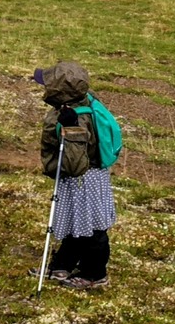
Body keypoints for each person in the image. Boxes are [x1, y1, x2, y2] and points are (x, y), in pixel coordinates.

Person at [34, 61, 116, 290]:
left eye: (48, 84)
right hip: (87, 177)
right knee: (76, 223)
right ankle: (62, 265)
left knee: (93, 229)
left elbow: (75, 164)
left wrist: (70, 131)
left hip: (85, 179)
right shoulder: (83, 99)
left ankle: (95, 274)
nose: (43, 87)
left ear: (60, 91)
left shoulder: (76, 119)